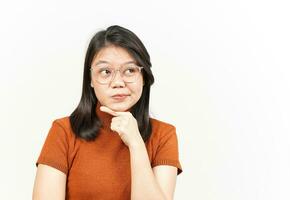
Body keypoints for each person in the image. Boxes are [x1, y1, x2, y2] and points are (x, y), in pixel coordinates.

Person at [32, 25, 183, 200]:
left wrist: (136, 144)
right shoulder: (64, 131)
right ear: (90, 80)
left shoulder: (163, 135)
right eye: (105, 72)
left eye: (130, 70)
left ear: (144, 78)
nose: (118, 82)